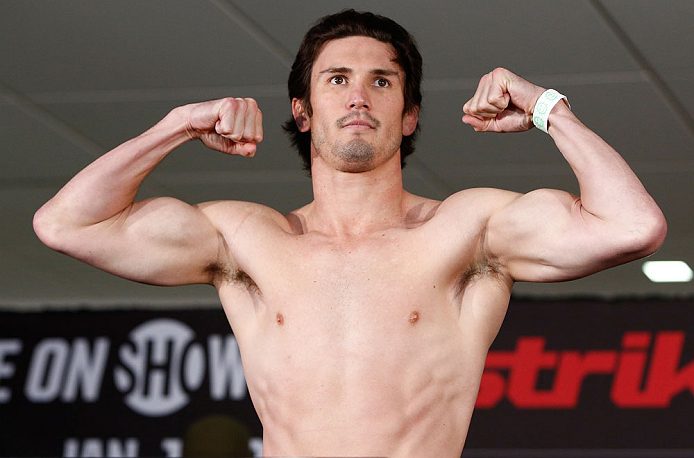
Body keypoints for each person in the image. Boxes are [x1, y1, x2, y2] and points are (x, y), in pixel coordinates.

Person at [33, 9, 666, 458]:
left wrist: (548, 109)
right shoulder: (249, 239)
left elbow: (634, 227)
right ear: (302, 111)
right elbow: (64, 223)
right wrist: (173, 126)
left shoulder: (467, 230)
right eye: (337, 79)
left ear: (409, 112)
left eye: (381, 82)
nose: (358, 97)